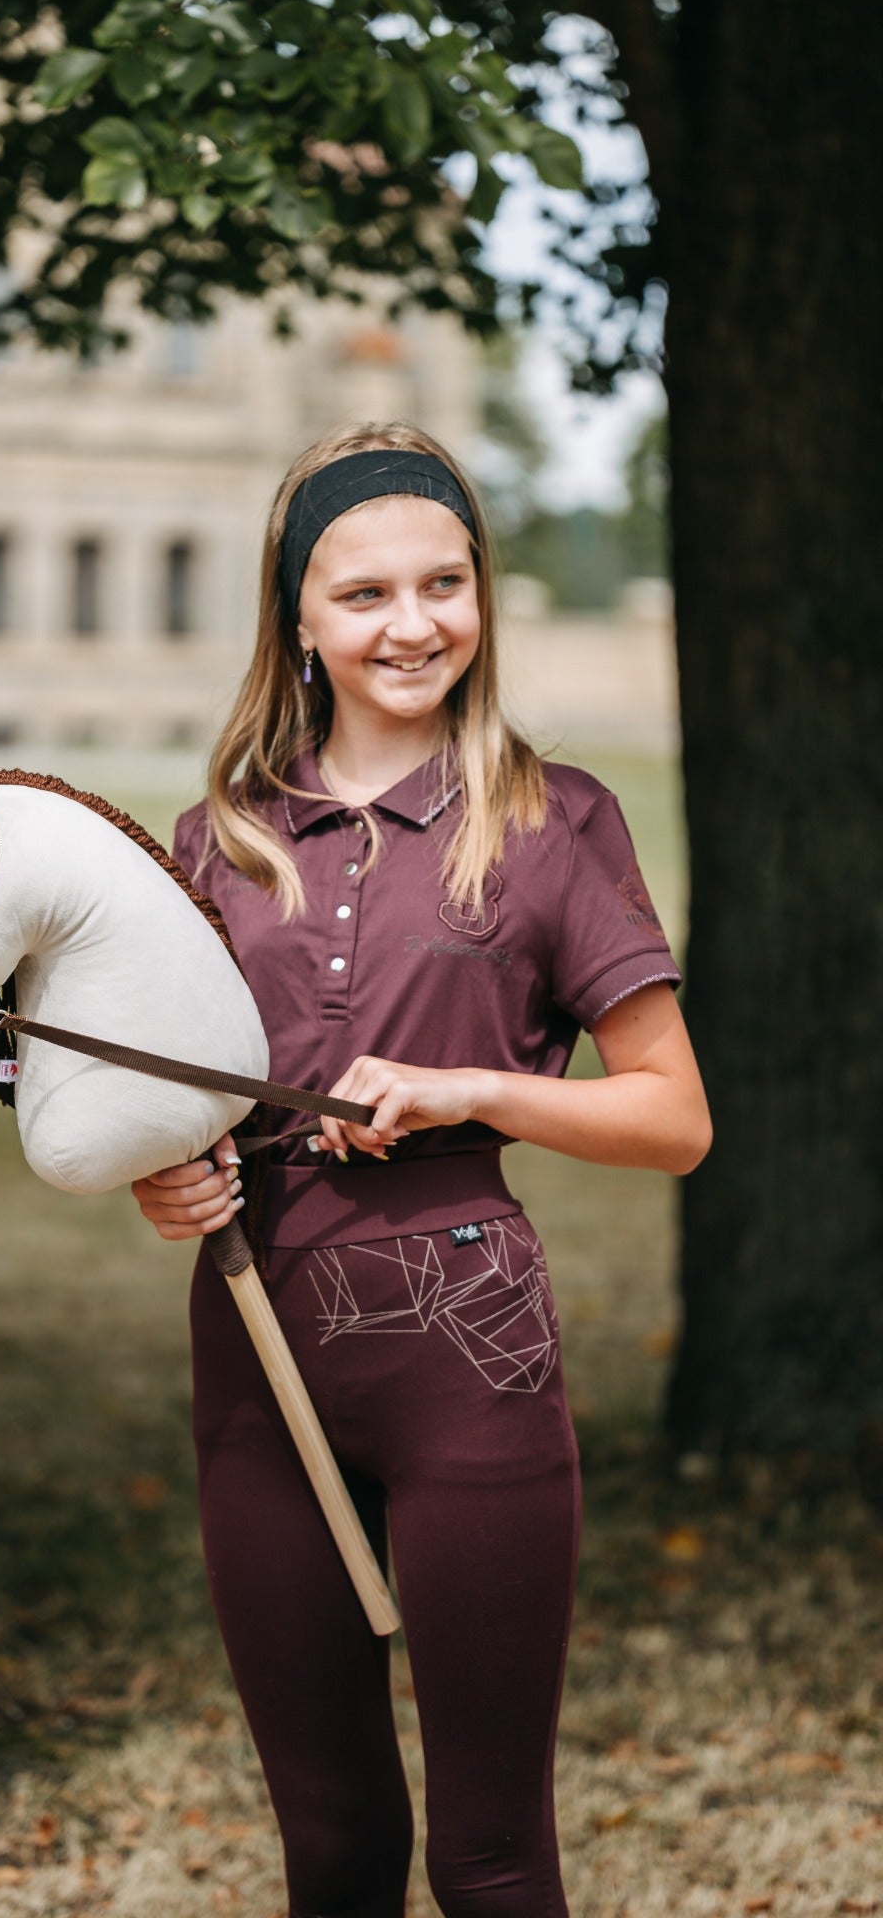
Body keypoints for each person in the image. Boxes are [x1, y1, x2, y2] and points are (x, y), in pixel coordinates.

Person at [131, 422, 711, 1918]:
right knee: (330, 1849)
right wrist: (161, 1179)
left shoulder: (551, 821)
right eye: (366, 594)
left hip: (472, 1351)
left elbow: (673, 1118)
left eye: (444, 583)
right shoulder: (218, 841)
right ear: (300, 623)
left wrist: (466, 1087)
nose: (413, 624)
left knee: (490, 1858)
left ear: (483, 595)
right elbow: (172, 1110)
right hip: (256, 1356)